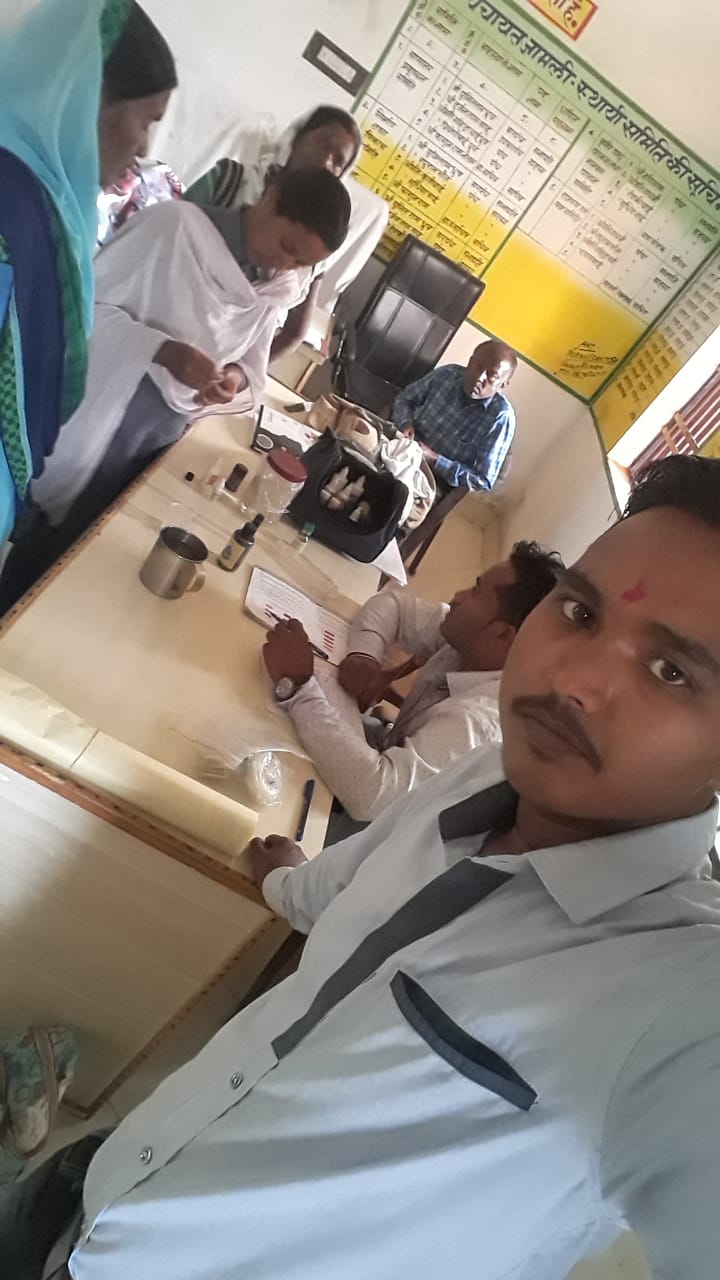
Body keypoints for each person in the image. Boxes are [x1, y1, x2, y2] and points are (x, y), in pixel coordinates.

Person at [6, 454, 720, 1278]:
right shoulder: (487, 776)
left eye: (671, 671)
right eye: (581, 611)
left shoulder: (677, 1005)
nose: (573, 680)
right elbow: (346, 883)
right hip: (102, 1190)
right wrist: (281, 882)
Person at [0, 168, 350, 607]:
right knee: (44, 542)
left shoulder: (272, 287)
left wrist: (232, 379)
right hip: (102, 417)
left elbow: (251, 362)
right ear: (270, 197)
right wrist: (163, 351)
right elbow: (82, 312)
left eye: (301, 264)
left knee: (91, 549)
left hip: (158, 435)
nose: (285, 266)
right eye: (286, 246)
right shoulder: (173, 228)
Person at [0, 0, 177, 544]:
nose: (144, 149)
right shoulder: (12, 210)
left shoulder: (49, 201)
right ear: (87, 95)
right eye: (146, 121)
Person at [262, 542, 562, 822]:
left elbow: (373, 797)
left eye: (475, 590)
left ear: (501, 634)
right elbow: (395, 605)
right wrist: (365, 655)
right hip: (389, 752)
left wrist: (298, 685)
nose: (458, 596)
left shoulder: (476, 724)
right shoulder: (471, 645)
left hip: (376, 833)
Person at [184, 106, 363, 359]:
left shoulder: (317, 245)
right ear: (298, 137)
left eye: (338, 161)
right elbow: (169, 238)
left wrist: (239, 372)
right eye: (322, 143)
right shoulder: (230, 181)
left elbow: (294, 331)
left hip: (227, 357)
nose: (326, 160)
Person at [393, 339, 517, 491]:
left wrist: (434, 460)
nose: (480, 378)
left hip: (435, 479)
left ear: (503, 384)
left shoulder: (501, 417)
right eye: (478, 367)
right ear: (470, 361)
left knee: (397, 491)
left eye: (491, 376)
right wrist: (406, 423)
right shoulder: (447, 375)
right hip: (404, 447)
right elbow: (405, 399)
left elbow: (483, 480)